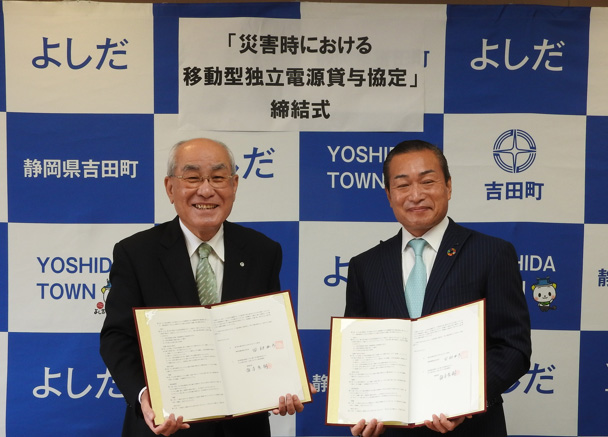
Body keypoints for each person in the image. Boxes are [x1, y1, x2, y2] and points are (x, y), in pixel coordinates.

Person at [100, 138, 311, 437]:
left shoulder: (262, 251)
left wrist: (281, 384)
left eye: (218, 177)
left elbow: (266, 333)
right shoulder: (136, 253)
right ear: (170, 187)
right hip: (164, 426)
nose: (206, 190)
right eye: (193, 177)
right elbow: (116, 337)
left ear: (234, 185)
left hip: (242, 429)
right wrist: (144, 395)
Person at [345, 140, 531, 437]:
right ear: (389, 195)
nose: (416, 195)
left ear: (448, 186)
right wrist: (359, 408)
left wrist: (465, 401)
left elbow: (514, 347)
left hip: (471, 428)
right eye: (403, 185)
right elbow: (359, 355)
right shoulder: (365, 266)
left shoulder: (491, 253)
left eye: (428, 181)